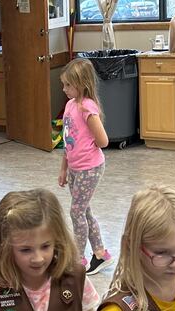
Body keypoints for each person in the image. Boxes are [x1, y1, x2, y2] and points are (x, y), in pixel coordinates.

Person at [58, 58, 113, 275]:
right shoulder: (71, 105)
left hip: (89, 169)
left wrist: (86, 147)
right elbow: (67, 139)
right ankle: (100, 253)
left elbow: (103, 141)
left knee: (76, 212)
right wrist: (64, 168)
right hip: (75, 168)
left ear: (81, 84)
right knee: (84, 210)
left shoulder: (87, 107)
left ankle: (78, 259)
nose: (64, 89)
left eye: (68, 85)